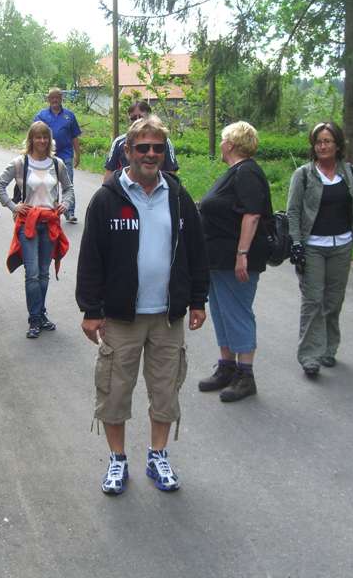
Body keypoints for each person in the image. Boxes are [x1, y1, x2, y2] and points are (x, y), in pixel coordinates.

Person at [76, 115, 209, 495]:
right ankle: (117, 459)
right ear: (128, 152)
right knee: (115, 390)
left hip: (167, 316)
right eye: (143, 148)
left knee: (165, 390)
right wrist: (91, 310)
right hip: (122, 317)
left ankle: (158, 455)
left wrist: (197, 300)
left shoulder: (178, 197)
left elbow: (196, 252)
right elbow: (91, 258)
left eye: (157, 148)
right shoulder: (107, 199)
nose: (151, 154)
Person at [286, 121, 353, 378]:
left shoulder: (350, 172)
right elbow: (293, 211)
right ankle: (310, 357)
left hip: (342, 247)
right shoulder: (304, 175)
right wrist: (296, 243)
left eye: (327, 141)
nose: (322, 146)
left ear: (337, 145)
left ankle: (328, 349)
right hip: (313, 247)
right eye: (318, 142)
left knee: (333, 302)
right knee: (313, 301)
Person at [197, 122, 273, 402]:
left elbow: (252, 215)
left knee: (238, 312)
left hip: (237, 260)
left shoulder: (248, 172)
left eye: (222, 140)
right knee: (221, 312)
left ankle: (246, 374)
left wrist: (242, 254)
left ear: (230, 144)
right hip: (218, 259)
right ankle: (227, 366)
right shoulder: (235, 172)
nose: (220, 144)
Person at [0, 121, 75, 338]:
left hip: (50, 223)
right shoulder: (20, 163)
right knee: (32, 273)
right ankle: (35, 319)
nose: (42, 141)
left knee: (44, 273)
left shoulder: (57, 164)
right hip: (27, 223)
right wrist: (13, 206)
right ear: (31, 139)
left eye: (45, 137)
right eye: (38, 137)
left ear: (50, 140)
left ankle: (40, 313)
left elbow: (69, 188)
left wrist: (66, 204)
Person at [33, 88, 81, 223]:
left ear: (61, 98)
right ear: (48, 99)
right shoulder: (41, 115)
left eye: (57, 97)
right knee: (49, 183)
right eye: (52, 97)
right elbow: (34, 135)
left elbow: (75, 136)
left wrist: (78, 154)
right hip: (47, 155)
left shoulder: (69, 116)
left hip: (66, 154)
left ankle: (69, 212)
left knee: (68, 183)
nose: (55, 100)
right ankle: (50, 211)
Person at [103, 101, 179, 181]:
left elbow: (171, 171)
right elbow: (109, 171)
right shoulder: (119, 142)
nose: (137, 121)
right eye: (133, 118)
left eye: (141, 117)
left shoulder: (164, 142)